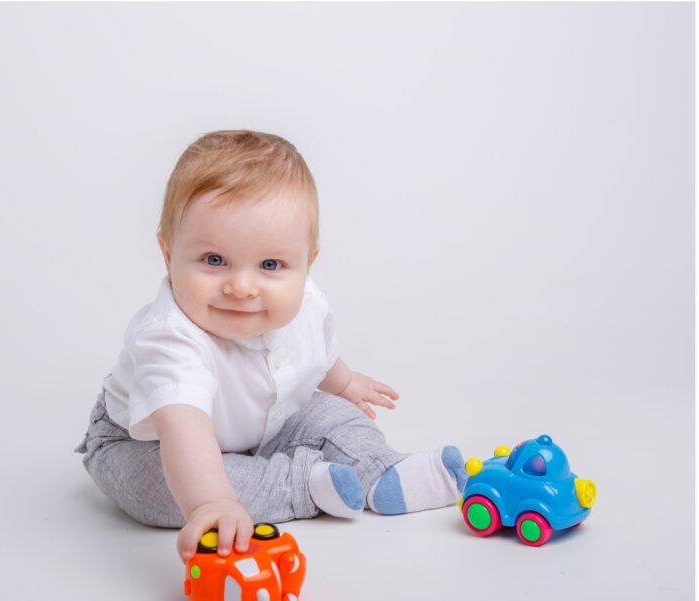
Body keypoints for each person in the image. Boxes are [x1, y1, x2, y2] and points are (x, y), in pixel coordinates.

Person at [75, 130, 467, 564]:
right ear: (169, 256)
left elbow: (317, 354)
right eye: (214, 260)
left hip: (264, 419)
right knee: (165, 492)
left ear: (306, 262)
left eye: (270, 265)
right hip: (145, 441)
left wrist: (347, 383)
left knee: (332, 413)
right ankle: (303, 486)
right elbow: (184, 429)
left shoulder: (307, 303)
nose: (241, 287)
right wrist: (210, 504)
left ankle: (381, 469)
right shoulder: (168, 339)